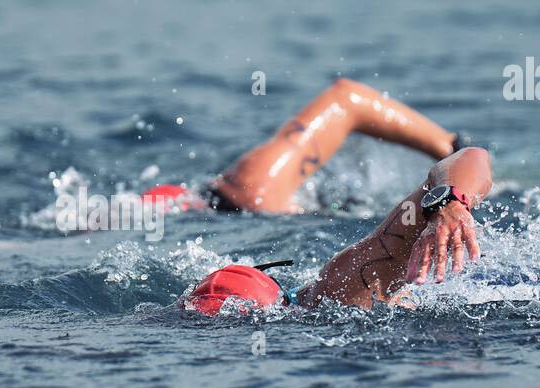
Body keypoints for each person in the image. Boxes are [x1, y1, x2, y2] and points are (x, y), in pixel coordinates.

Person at [142, 78, 494, 314]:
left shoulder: (253, 194)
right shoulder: (337, 288)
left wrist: (450, 196)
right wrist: (451, 199)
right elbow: (473, 157)